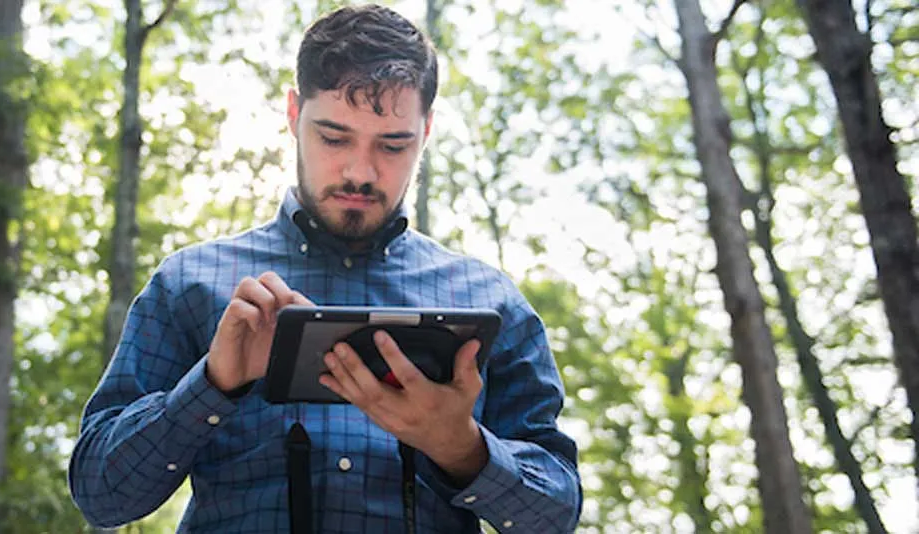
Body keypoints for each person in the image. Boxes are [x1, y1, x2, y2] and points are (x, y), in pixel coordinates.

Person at [68, 4, 581, 532]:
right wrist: (213, 384)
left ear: (425, 131)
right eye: (334, 138)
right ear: (294, 115)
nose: (360, 171)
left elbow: (556, 514)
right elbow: (101, 497)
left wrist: (462, 448)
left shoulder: (488, 302)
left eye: (392, 144)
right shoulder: (189, 285)